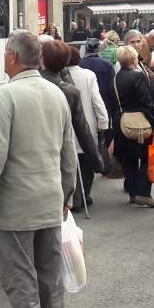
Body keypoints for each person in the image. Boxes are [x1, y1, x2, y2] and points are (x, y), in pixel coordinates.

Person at [0, 30, 77, 308]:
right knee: (49, 270)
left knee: (19, 272)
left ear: (14, 57)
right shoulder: (56, 94)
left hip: (16, 203)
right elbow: (68, 152)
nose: (3, 57)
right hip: (49, 198)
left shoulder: (6, 97)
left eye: (5, 52)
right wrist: (68, 192)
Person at [41, 40, 102, 211]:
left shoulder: (27, 86)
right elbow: (82, 129)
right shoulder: (70, 91)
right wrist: (97, 160)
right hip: (62, 148)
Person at [114, 44, 154, 208]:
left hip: (123, 121)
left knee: (130, 159)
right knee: (147, 157)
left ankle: (133, 193)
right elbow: (145, 102)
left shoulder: (117, 77)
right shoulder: (137, 76)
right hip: (139, 122)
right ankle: (144, 193)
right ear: (134, 58)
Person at [65, 44, 109, 208]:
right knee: (87, 162)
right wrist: (103, 122)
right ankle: (85, 195)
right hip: (86, 124)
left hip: (67, 125)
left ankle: (73, 196)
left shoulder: (58, 76)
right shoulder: (88, 75)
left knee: (70, 163)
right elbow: (96, 99)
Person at [80, 38, 119, 143]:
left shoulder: (80, 65)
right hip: (105, 102)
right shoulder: (107, 65)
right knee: (104, 136)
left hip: (84, 103)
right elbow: (113, 87)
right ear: (99, 49)